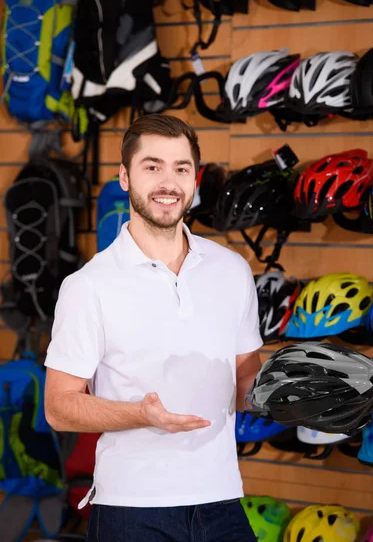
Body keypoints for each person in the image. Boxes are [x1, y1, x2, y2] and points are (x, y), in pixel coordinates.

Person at [44, 115, 263, 541]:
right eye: (152, 166)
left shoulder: (232, 270)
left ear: (195, 179)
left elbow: (245, 382)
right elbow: (59, 407)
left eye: (181, 168)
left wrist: (294, 396)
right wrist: (140, 415)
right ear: (125, 177)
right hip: (132, 509)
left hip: (221, 502)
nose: (169, 182)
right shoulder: (89, 286)